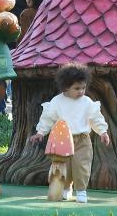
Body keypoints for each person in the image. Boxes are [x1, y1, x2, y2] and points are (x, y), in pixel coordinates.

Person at [29, 64, 110, 203]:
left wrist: (102, 131)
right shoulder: (57, 101)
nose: (81, 91)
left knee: (82, 165)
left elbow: (95, 117)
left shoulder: (87, 102)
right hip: (63, 139)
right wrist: (40, 132)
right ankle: (66, 188)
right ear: (65, 87)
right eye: (77, 88)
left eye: (83, 88)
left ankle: (81, 190)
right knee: (63, 165)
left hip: (82, 139)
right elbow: (48, 118)